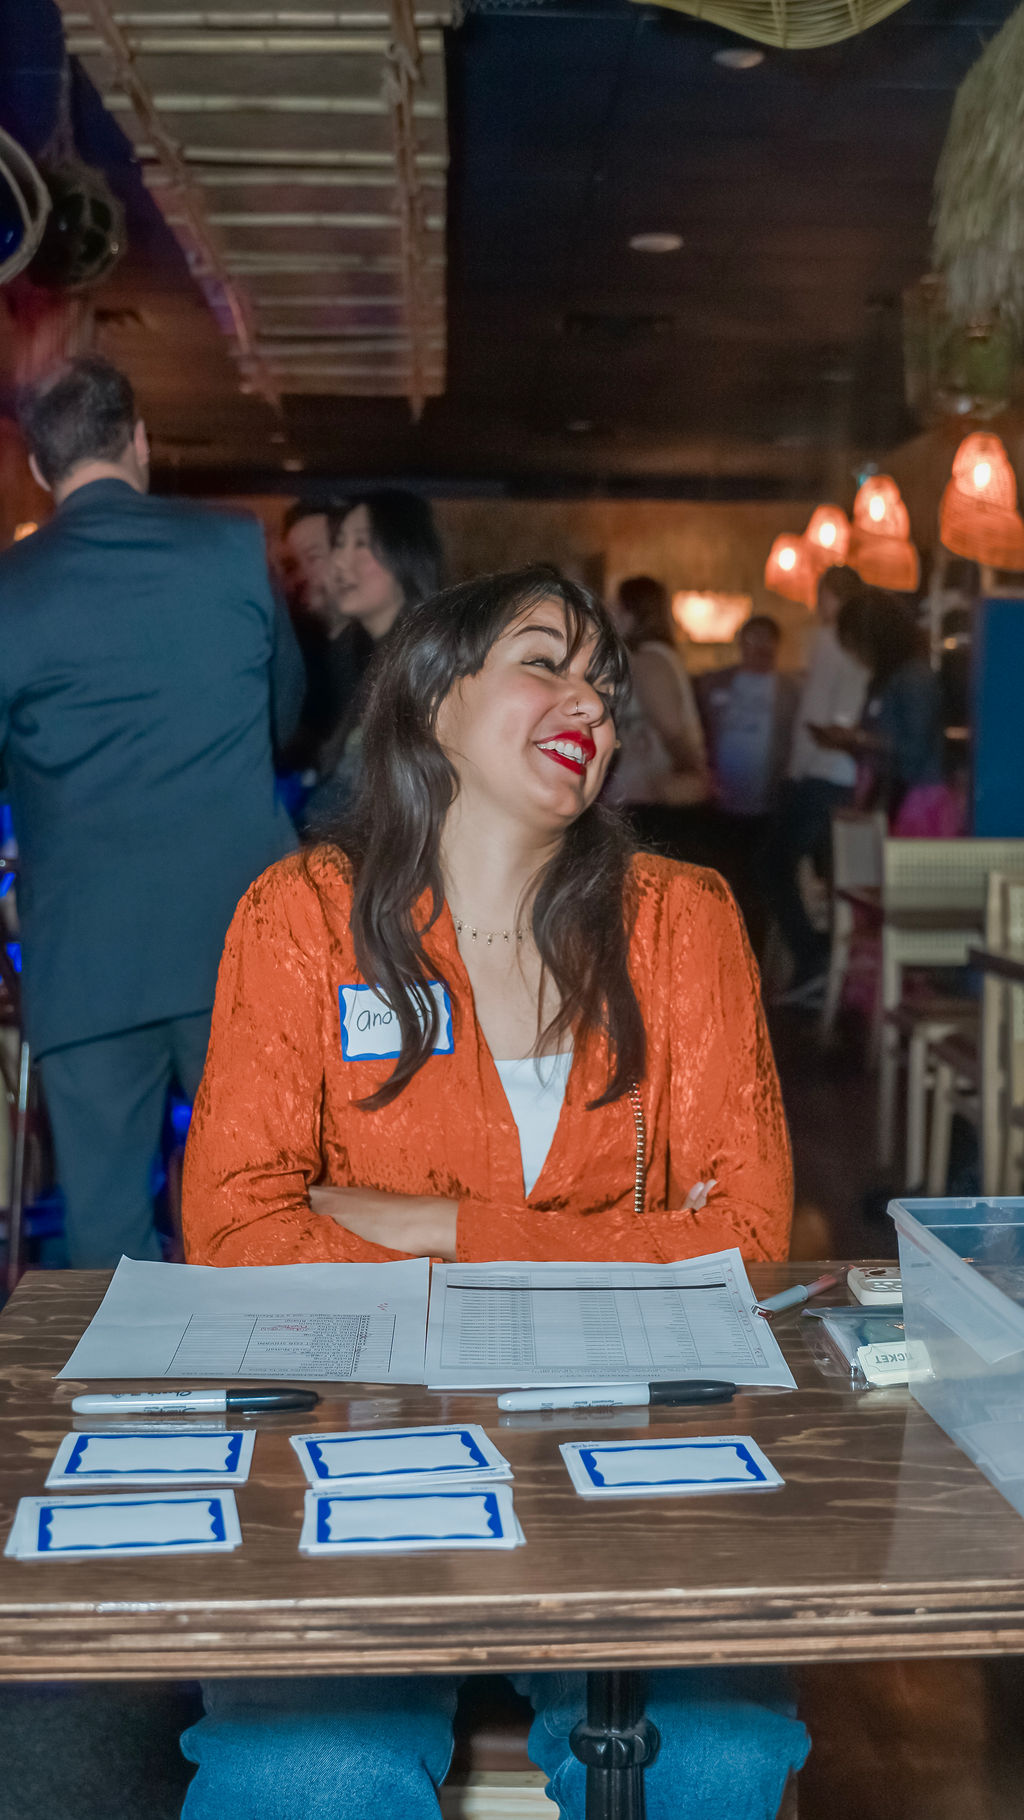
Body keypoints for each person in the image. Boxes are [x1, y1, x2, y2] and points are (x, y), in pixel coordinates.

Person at [180, 565, 809, 1819]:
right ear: (433, 698)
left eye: (604, 684)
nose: (591, 701)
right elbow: (237, 1227)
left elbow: (741, 1245)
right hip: (354, 1456)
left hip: (631, 1465)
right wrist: (608, 1248)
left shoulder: (681, 923)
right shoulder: (303, 917)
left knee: (713, 1752)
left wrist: (439, 1227)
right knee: (309, 1773)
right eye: (544, 662)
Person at [0, 355, 303, 1267]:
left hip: (84, 951)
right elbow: (285, 714)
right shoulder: (233, 546)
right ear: (139, 440)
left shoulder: (11, 586)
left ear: (40, 468)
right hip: (238, 935)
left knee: (103, 1227)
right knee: (259, 1208)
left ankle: (125, 1364)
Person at [302, 489, 444, 827]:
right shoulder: (356, 654)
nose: (339, 562)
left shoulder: (425, 665)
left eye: (361, 544)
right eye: (339, 544)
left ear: (405, 553)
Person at [771, 565, 868, 999]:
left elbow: (815, 712)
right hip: (848, 776)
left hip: (819, 773)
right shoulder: (863, 646)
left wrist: (793, 771)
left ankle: (813, 960)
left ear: (830, 595)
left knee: (773, 864)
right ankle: (832, 966)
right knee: (833, 875)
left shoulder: (829, 640)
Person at [697, 615, 799, 956]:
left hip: (767, 801)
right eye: (752, 640)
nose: (759, 648)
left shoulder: (790, 691)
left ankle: (755, 948)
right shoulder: (714, 683)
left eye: (766, 640)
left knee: (760, 878)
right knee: (725, 875)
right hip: (721, 799)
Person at [812, 589, 945, 824]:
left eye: (855, 643)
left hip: (912, 803)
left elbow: (916, 752)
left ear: (876, 638)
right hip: (885, 797)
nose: (853, 653)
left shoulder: (913, 677)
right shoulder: (885, 679)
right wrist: (851, 742)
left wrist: (860, 738)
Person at [605, 574, 709, 860]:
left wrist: (693, 776)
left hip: (652, 799)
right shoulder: (647, 659)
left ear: (633, 613)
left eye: (616, 606)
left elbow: (671, 730)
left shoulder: (650, 662)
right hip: (645, 795)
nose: (610, 614)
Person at [277, 502, 374, 775]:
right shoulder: (293, 649)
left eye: (313, 558)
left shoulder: (377, 655)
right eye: (291, 564)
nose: (299, 575)